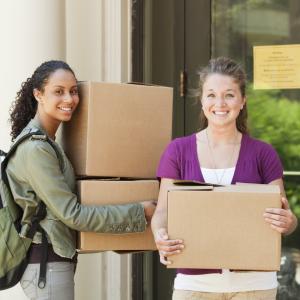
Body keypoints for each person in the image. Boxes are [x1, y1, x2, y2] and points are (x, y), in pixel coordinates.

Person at [7, 60, 156, 300]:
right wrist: (139, 212)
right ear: (38, 95)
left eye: (74, 91)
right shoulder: (37, 150)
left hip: (51, 264)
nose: (69, 99)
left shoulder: (47, 143)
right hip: (47, 266)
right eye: (59, 91)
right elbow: (72, 214)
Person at [151, 57, 298, 300]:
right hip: (195, 285)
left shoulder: (263, 154)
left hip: (254, 286)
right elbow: (163, 213)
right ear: (201, 100)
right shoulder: (177, 151)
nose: (220, 103)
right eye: (211, 95)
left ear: (243, 101)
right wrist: (160, 237)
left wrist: (287, 221)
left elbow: (286, 220)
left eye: (229, 95)